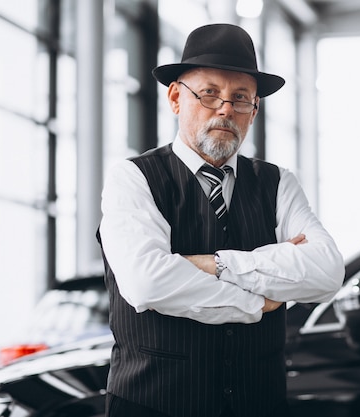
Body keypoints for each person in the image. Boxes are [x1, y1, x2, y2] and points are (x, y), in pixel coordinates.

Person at [97, 23, 345, 417]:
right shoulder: (133, 178)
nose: (226, 108)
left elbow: (327, 272)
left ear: (254, 111)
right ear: (177, 98)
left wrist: (213, 265)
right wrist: (258, 301)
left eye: (241, 97)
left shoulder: (278, 183)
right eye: (209, 93)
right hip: (152, 406)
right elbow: (147, 283)